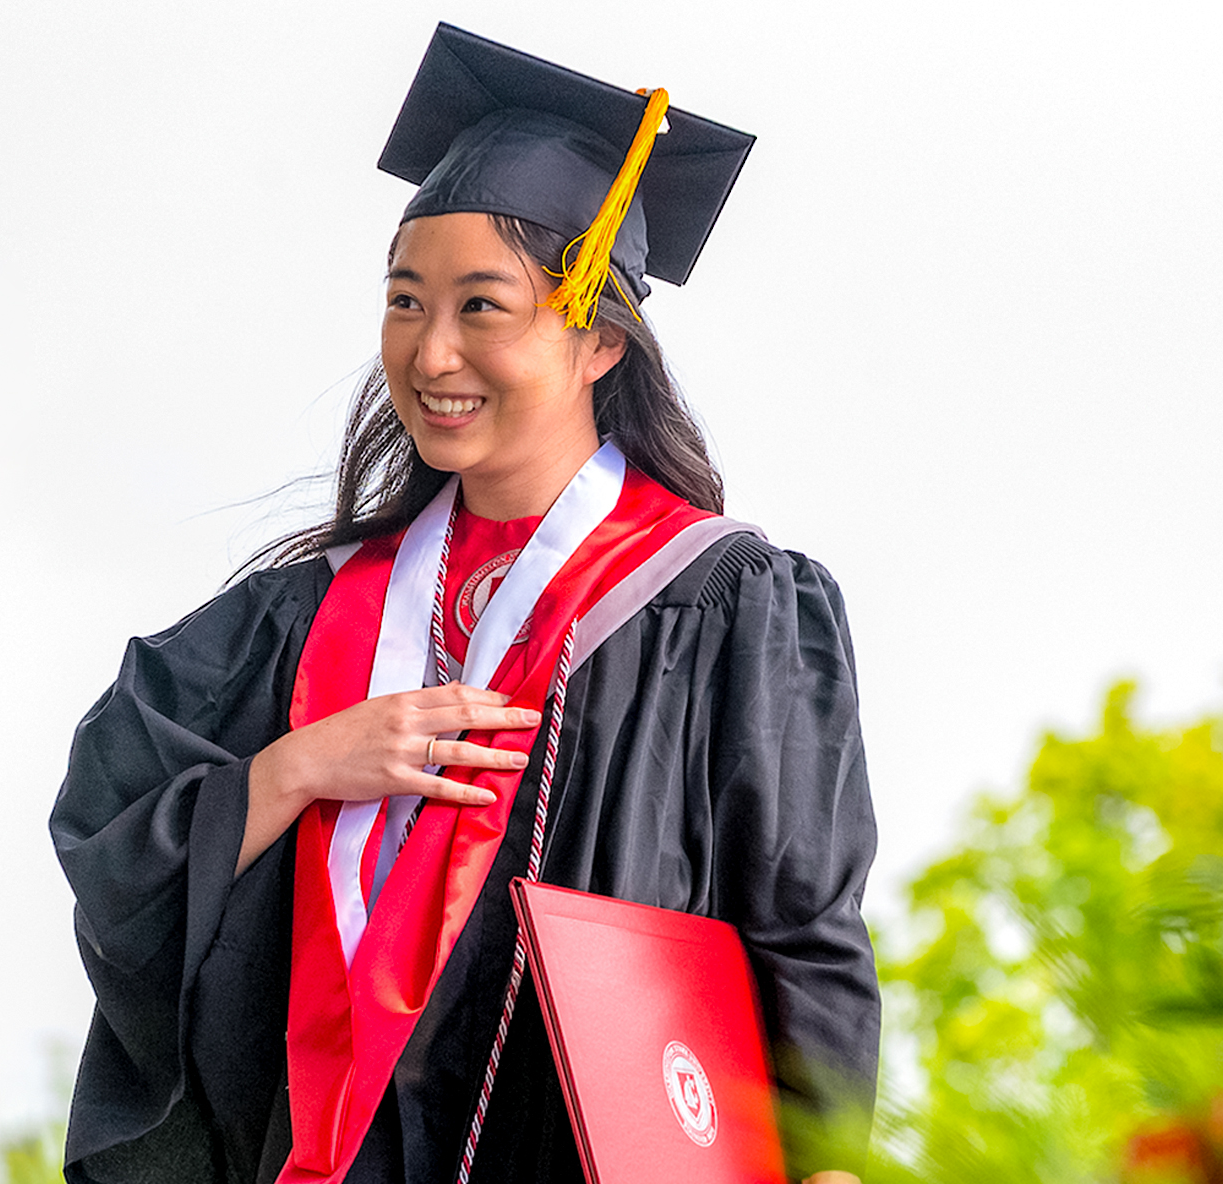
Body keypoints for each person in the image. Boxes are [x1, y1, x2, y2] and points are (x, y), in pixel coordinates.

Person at [49, 25, 877, 1184]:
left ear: (596, 336)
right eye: (404, 300)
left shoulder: (724, 604)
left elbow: (799, 919)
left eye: (481, 307)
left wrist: (830, 1158)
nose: (431, 350)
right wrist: (294, 767)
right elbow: (112, 828)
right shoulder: (302, 617)